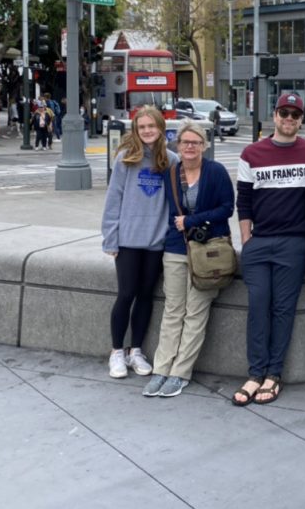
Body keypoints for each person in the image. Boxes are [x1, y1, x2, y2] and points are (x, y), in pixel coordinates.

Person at [232, 93, 305, 406]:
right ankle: (255, 373)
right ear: (275, 114)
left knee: (283, 310)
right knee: (258, 307)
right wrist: (247, 241)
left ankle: (274, 374)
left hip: (295, 244)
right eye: (284, 112)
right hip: (259, 244)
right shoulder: (252, 153)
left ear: (301, 119)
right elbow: (243, 201)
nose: (289, 119)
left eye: (295, 114)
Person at [142, 121, 236, 398]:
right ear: (178, 145)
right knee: (173, 311)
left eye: (196, 142)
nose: (190, 147)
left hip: (208, 251)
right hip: (176, 249)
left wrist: (192, 220)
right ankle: (161, 369)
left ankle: (180, 373)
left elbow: (227, 208)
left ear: (204, 146)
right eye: (185, 143)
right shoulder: (171, 173)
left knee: (196, 313)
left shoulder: (216, 172)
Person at [101, 106, 178, 380]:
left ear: (160, 128)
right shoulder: (125, 159)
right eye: (141, 127)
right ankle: (116, 352)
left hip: (156, 242)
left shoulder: (171, 161)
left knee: (146, 296)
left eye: (151, 126)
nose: (147, 131)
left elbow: (175, 203)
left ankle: (136, 351)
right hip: (128, 241)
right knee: (126, 294)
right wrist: (110, 238)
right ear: (135, 130)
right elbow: (113, 202)